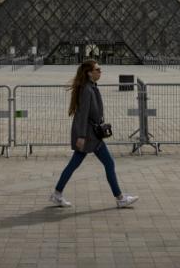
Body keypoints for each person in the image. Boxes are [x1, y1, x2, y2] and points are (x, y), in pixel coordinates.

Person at [49, 60, 139, 209]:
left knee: (75, 165)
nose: (100, 71)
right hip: (89, 136)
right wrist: (81, 136)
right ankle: (120, 198)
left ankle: (57, 194)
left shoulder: (90, 87)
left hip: (91, 134)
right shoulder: (87, 89)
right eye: (97, 69)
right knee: (107, 163)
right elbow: (82, 115)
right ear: (89, 72)